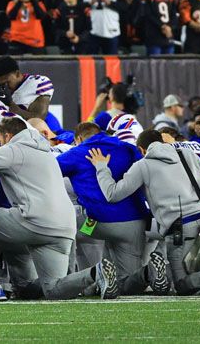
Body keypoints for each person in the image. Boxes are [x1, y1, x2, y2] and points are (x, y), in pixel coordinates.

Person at [0, 116, 116, 301]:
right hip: (64, 226)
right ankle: (95, 273)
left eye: (0, 138)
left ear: (7, 135)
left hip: (35, 221)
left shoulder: (14, 150)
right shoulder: (46, 152)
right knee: (52, 289)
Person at [90, 129, 200, 296]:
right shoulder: (186, 153)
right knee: (188, 267)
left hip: (179, 228)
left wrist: (101, 168)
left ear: (141, 150)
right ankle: (166, 269)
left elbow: (112, 194)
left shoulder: (143, 165)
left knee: (179, 282)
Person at [57, 122, 152, 295]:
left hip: (96, 223)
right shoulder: (129, 149)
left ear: (78, 139)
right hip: (134, 222)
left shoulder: (77, 152)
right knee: (128, 283)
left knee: (61, 229)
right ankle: (148, 274)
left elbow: (45, 173)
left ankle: (87, 280)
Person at [0, 55, 60, 133]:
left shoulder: (37, 84)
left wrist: (10, 104)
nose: (5, 87)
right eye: (1, 84)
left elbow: (38, 119)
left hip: (41, 132)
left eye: (7, 82)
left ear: (17, 74)